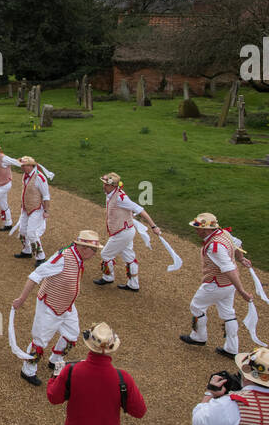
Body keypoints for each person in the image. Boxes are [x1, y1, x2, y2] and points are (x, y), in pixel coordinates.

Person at [11, 230, 104, 385]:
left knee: (72, 335)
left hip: (67, 305)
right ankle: (27, 370)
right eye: (94, 251)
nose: (95, 254)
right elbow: (36, 275)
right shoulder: (63, 257)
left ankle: (55, 360)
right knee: (40, 339)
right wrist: (22, 299)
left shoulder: (78, 257)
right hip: (49, 305)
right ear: (84, 248)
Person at [180, 213, 253, 358]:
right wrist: (241, 259)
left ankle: (199, 337)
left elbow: (228, 269)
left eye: (198, 228)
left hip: (215, 283)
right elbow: (237, 244)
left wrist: (242, 291)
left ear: (206, 230)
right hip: (227, 285)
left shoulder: (214, 246)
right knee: (228, 313)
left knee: (196, 306)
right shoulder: (223, 232)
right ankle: (232, 349)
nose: (196, 231)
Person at [95, 172, 160, 290]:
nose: (104, 186)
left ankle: (108, 277)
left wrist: (153, 226)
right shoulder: (112, 193)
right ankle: (133, 284)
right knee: (129, 257)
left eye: (106, 185)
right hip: (126, 230)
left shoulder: (120, 198)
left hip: (122, 232)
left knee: (105, 254)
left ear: (114, 186)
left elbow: (140, 210)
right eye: (104, 184)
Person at [14, 156, 50, 262]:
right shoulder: (25, 175)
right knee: (22, 230)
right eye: (22, 165)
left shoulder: (40, 177)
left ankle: (41, 258)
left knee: (31, 233)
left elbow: (46, 196)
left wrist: (46, 211)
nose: (22, 167)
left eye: (24, 165)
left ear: (31, 166)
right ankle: (27, 251)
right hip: (26, 208)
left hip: (37, 209)